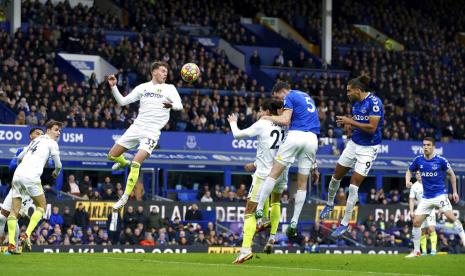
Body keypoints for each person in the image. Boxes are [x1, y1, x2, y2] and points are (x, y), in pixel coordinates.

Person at [107, 61, 183, 211]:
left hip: (152, 132)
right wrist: (113, 86)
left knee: (136, 163)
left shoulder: (169, 88)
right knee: (111, 156)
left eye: (166, 71)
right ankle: (124, 162)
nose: (165, 73)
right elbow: (122, 102)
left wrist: (171, 105)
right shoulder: (143, 87)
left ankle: (124, 198)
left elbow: (179, 105)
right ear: (153, 72)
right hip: (137, 127)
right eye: (162, 71)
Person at [319, 75, 384, 238]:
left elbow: (372, 128)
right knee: (336, 175)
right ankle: (329, 204)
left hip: (369, 149)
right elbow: (357, 121)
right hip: (353, 144)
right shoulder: (356, 104)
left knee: (354, 184)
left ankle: (344, 223)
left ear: (357, 90)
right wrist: (349, 126)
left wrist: (350, 121)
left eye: (349, 91)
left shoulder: (374, 103)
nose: (347, 94)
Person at [254, 81, 320, 238]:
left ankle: (260, 207)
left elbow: (285, 121)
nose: (279, 101)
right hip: (312, 140)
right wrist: (314, 167)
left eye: (278, 97)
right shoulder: (306, 96)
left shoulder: (289, 96)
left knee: (273, 173)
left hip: (296, 135)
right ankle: (294, 221)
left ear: (283, 91)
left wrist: (266, 117)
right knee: (302, 185)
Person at [229, 99, 288, 264]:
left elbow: (238, 135)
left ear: (267, 111)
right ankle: (266, 220)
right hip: (280, 174)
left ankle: (245, 250)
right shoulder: (285, 125)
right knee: (274, 201)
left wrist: (233, 123)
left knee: (249, 210)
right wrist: (254, 163)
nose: (258, 113)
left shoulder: (263, 122)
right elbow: (272, 150)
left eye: (260, 110)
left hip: (263, 176)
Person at [5, 120, 63, 254]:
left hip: (18, 176)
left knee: (14, 211)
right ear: (48, 130)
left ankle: (12, 244)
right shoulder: (52, 143)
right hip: (31, 178)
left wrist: (21, 167)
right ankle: (27, 234)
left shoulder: (35, 141)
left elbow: (19, 157)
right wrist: (56, 172)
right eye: (56, 129)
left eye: (59, 130)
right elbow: (58, 164)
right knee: (41, 206)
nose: (58, 133)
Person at [405, 137, 465, 258]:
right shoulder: (418, 160)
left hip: (440, 195)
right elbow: (408, 171)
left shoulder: (441, 160)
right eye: (424, 145)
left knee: (450, 217)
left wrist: (455, 192)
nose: (425, 147)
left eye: (428, 145)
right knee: (416, 223)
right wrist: (407, 181)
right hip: (426, 198)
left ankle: (464, 238)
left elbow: (452, 175)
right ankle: (416, 251)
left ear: (433, 147)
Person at [0, 127, 43, 245]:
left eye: (42, 134)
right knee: (2, 218)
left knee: (14, 217)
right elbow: (11, 167)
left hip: (29, 191)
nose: (40, 135)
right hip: (17, 186)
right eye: (37, 133)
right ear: (31, 136)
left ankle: (14, 245)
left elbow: (50, 166)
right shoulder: (21, 150)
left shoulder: (43, 152)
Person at [409, 170, 438, 255]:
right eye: (417, 174)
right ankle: (424, 251)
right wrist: (411, 211)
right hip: (420, 210)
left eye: (420, 173)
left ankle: (433, 250)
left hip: (430, 208)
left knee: (431, 229)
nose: (419, 175)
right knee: (422, 231)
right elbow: (411, 199)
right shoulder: (414, 186)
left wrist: (439, 207)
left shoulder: (430, 183)